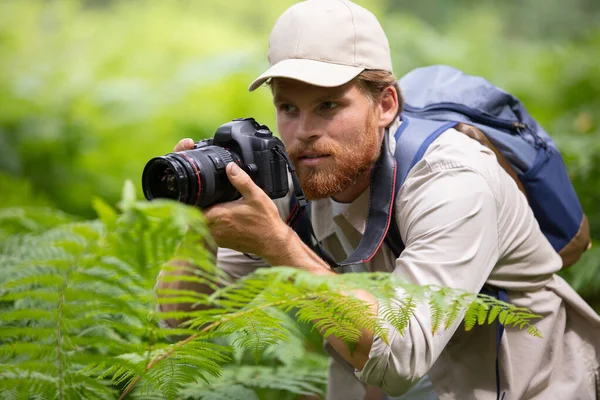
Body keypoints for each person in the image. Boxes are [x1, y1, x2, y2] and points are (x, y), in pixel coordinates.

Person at [157, 0, 600, 399]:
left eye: (329, 106)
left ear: (385, 104)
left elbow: (398, 358)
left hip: (530, 386)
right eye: (288, 108)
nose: (304, 131)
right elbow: (184, 322)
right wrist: (200, 231)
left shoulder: (452, 181)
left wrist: (280, 246)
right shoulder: (290, 180)